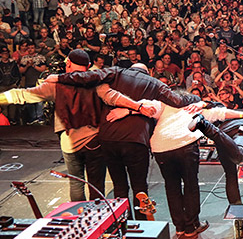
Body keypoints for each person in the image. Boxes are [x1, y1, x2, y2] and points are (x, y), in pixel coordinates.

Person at [46, 61, 199, 217]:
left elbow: (88, 76)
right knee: (139, 188)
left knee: (119, 186)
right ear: (148, 73)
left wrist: (59, 77)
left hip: (108, 139)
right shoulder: (155, 83)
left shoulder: (116, 72)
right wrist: (198, 99)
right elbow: (178, 101)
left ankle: (124, 225)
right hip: (135, 140)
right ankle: (140, 229)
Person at [0, 50, 153, 201]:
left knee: (75, 183)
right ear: (88, 65)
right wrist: (137, 107)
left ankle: (79, 219)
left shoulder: (57, 84)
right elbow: (114, 98)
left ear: (68, 64)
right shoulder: (97, 81)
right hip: (95, 141)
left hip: (69, 143)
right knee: (96, 186)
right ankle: (96, 219)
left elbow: (22, 95)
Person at [124, 96, 243, 236]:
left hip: (160, 147)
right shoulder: (196, 108)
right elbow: (222, 113)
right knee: (190, 184)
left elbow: (143, 105)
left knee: (172, 186)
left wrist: (126, 111)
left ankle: (179, 227)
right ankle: (192, 226)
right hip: (184, 145)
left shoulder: (164, 105)